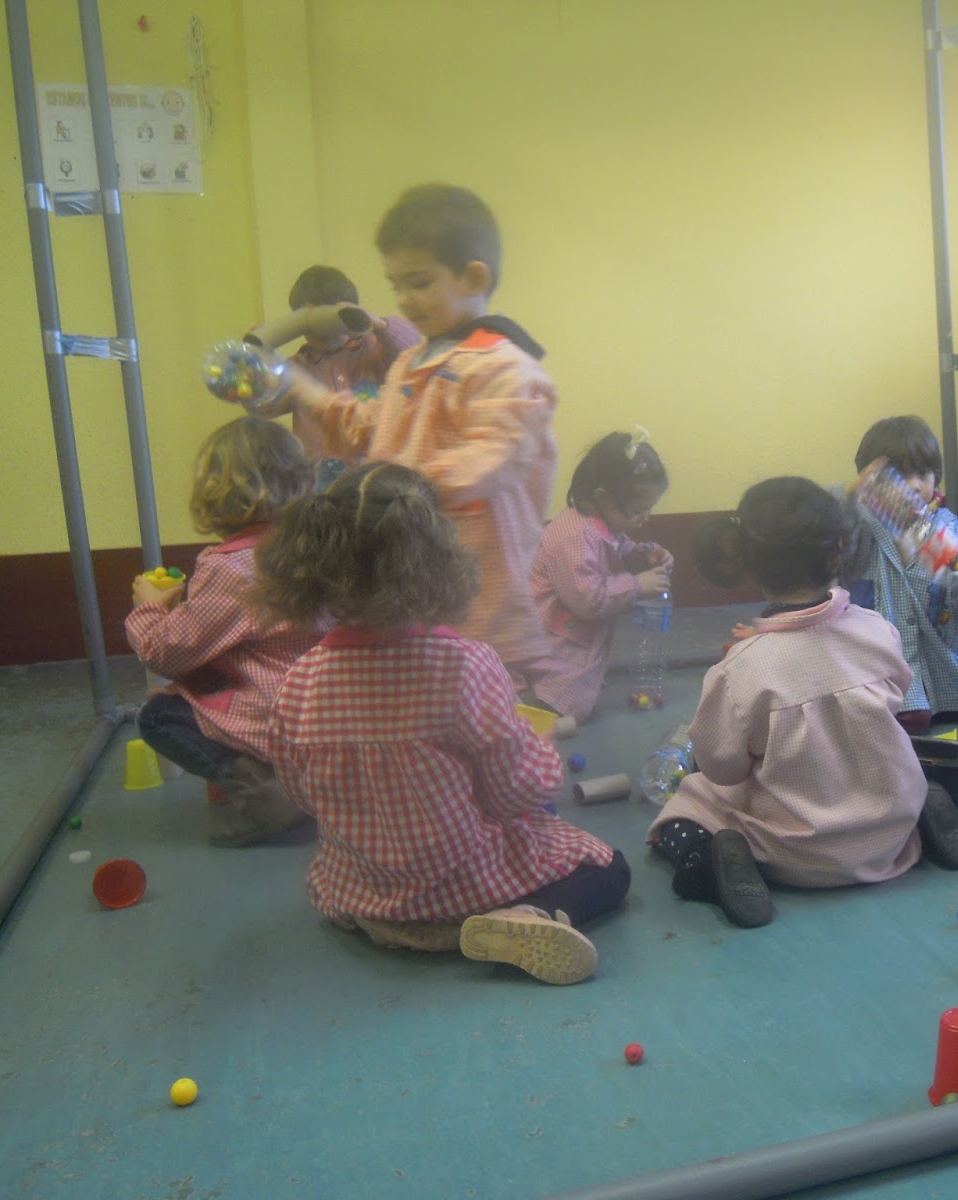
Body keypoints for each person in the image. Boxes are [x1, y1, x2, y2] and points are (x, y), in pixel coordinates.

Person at [255, 462, 629, 985]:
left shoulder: (300, 681)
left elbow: (302, 794)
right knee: (610, 867)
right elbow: (515, 793)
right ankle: (527, 916)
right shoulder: (466, 666)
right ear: (436, 560)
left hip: (364, 896)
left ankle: (404, 927)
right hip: (464, 887)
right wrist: (539, 748)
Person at [646, 477, 958, 930]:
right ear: (838, 554)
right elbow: (895, 698)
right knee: (894, 753)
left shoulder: (739, 670)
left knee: (688, 801)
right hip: (890, 834)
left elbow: (721, 768)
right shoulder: (878, 631)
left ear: (748, 562)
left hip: (794, 855)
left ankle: (706, 861)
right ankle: (924, 813)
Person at [276, 185, 557, 686]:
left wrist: (397, 489)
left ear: (474, 277)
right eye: (397, 285)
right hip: (406, 562)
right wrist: (305, 390)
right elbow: (370, 429)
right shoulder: (411, 361)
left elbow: (497, 455)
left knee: (479, 686)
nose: (405, 300)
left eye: (420, 283)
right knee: (416, 678)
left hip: (471, 573)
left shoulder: (506, 368)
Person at [126, 418, 322, 846]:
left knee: (159, 716)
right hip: (322, 712)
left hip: (271, 713)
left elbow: (164, 652)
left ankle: (265, 790)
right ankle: (302, 783)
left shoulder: (229, 568)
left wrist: (149, 609)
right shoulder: (316, 547)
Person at [843, 416, 958, 733]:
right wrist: (850, 497)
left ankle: (944, 698)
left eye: (922, 474)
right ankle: (907, 703)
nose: (913, 486)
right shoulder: (859, 526)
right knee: (906, 716)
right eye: (898, 476)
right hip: (881, 660)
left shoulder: (945, 525)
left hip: (942, 656)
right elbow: (831, 531)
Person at [528, 428, 674, 722]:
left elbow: (620, 551)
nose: (645, 518)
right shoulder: (573, 536)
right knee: (555, 700)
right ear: (603, 498)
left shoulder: (603, 527)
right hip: (552, 643)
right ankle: (536, 716)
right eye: (638, 510)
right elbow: (587, 599)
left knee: (578, 688)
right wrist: (636, 585)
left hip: (576, 641)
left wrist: (644, 555)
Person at [277, 264, 421, 472]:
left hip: (380, 472)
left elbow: (414, 351)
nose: (323, 330)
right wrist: (261, 360)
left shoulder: (376, 350)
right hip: (321, 477)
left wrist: (377, 323)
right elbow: (265, 406)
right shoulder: (296, 369)